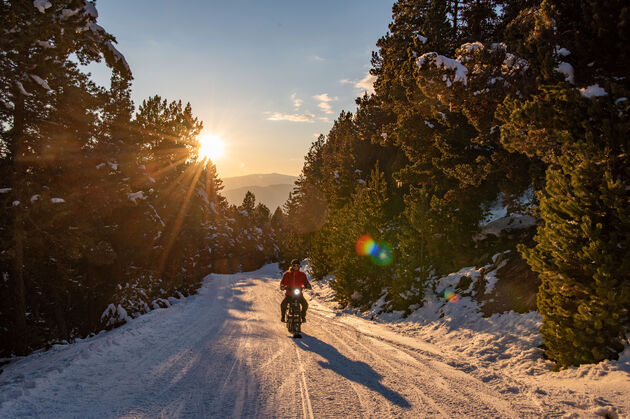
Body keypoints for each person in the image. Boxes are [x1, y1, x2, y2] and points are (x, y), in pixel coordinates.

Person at [280, 259, 311, 323]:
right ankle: (283, 317)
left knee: (305, 305)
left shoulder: (302, 275)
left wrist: (308, 285)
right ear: (292, 266)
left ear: (299, 266)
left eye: (297, 265)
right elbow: (282, 282)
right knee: (283, 304)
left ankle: (303, 317)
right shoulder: (287, 274)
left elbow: (306, 282)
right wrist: (282, 286)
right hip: (289, 294)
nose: (296, 267)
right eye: (294, 265)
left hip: (298, 294)